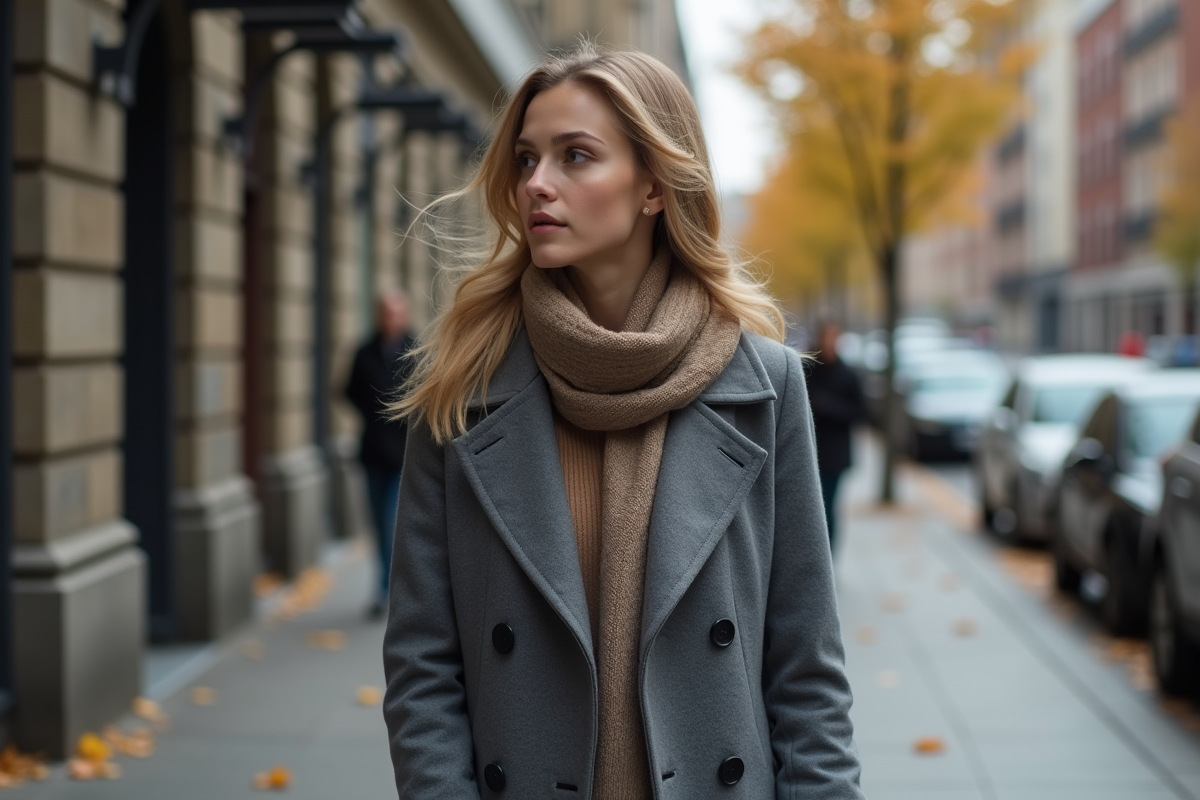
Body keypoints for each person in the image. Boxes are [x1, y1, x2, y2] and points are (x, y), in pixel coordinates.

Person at [382, 46, 863, 800]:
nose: (537, 183)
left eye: (576, 156)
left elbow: (807, 673)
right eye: (527, 158)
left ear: (652, 187)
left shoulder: (764, 388)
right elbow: (422, 667)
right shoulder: (463, 388)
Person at [345, 291, 415, 619]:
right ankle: (384, 587)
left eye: (396, 313)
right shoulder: (365, 352)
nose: (391, 320)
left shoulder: (416, 350)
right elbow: (347, 391)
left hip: (404, 454)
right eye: (386, 313)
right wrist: (371, 414)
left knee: (393, 524)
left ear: (404, 316)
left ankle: (389, 591)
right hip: (373, 453)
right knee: (377, 525)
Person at [805, 320, 867, 551]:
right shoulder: (808, 370)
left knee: (828, 509)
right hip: (808, 450)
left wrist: (828, 406)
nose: (830, 343)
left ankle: (828, 559)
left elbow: (860, 412)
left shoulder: (848, 374)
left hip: (834, 455)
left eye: (834, 338)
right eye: (826, 337)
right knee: (809, 510)